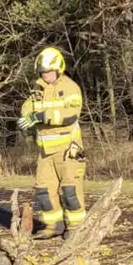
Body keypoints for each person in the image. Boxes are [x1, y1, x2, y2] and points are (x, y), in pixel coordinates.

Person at [18, 47, 86, 239]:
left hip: (68, 150)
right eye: (43, 71)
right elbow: (25, 110)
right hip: (45, 152)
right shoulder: (37, 89)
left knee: (70, 191)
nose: (46, 75)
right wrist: (29, 117)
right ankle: (52, 226)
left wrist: (40, 116)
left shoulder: (70, 87)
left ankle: (76, 228)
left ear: (58, 69)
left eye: (49, 71)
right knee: (43, 191)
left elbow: (70, 115)